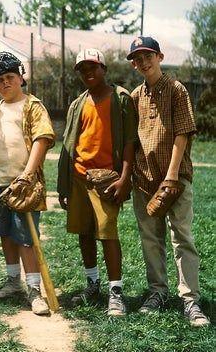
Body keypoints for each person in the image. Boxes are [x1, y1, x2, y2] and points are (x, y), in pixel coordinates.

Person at [128, 36, 210, 327]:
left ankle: (190, 299)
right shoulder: (136, 96)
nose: (143, 62)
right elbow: (132, 140)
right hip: (144, 178)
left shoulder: (176, 90)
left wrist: (172, 175)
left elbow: (183, 133)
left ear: (160, 56)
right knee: (151, 239)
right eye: (137, 58)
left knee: (182, 237)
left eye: (148, 55)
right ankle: (158, 291)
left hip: (174, 178)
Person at [0, 52, 55, 315]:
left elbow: (42, 138)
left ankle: (34, 289)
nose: (5, 83)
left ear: (21, 77)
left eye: (10, 77)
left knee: (26, 237)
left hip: (24, 183)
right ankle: (13, 281)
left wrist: (28, 175)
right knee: (5, 233)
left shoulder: (32, 105)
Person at [57, 48, 137, 316]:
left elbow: (129, 142)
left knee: (107, 231)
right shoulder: (78, 103)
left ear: (104, 68)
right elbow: (70, 143)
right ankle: (93, 283)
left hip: (107, 179)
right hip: (79, 176)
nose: (88, 73)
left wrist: (125, 178)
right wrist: (65, 184)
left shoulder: (121, 98)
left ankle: (116, 291)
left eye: (93, 67)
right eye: (82, 69)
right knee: (84, 232)